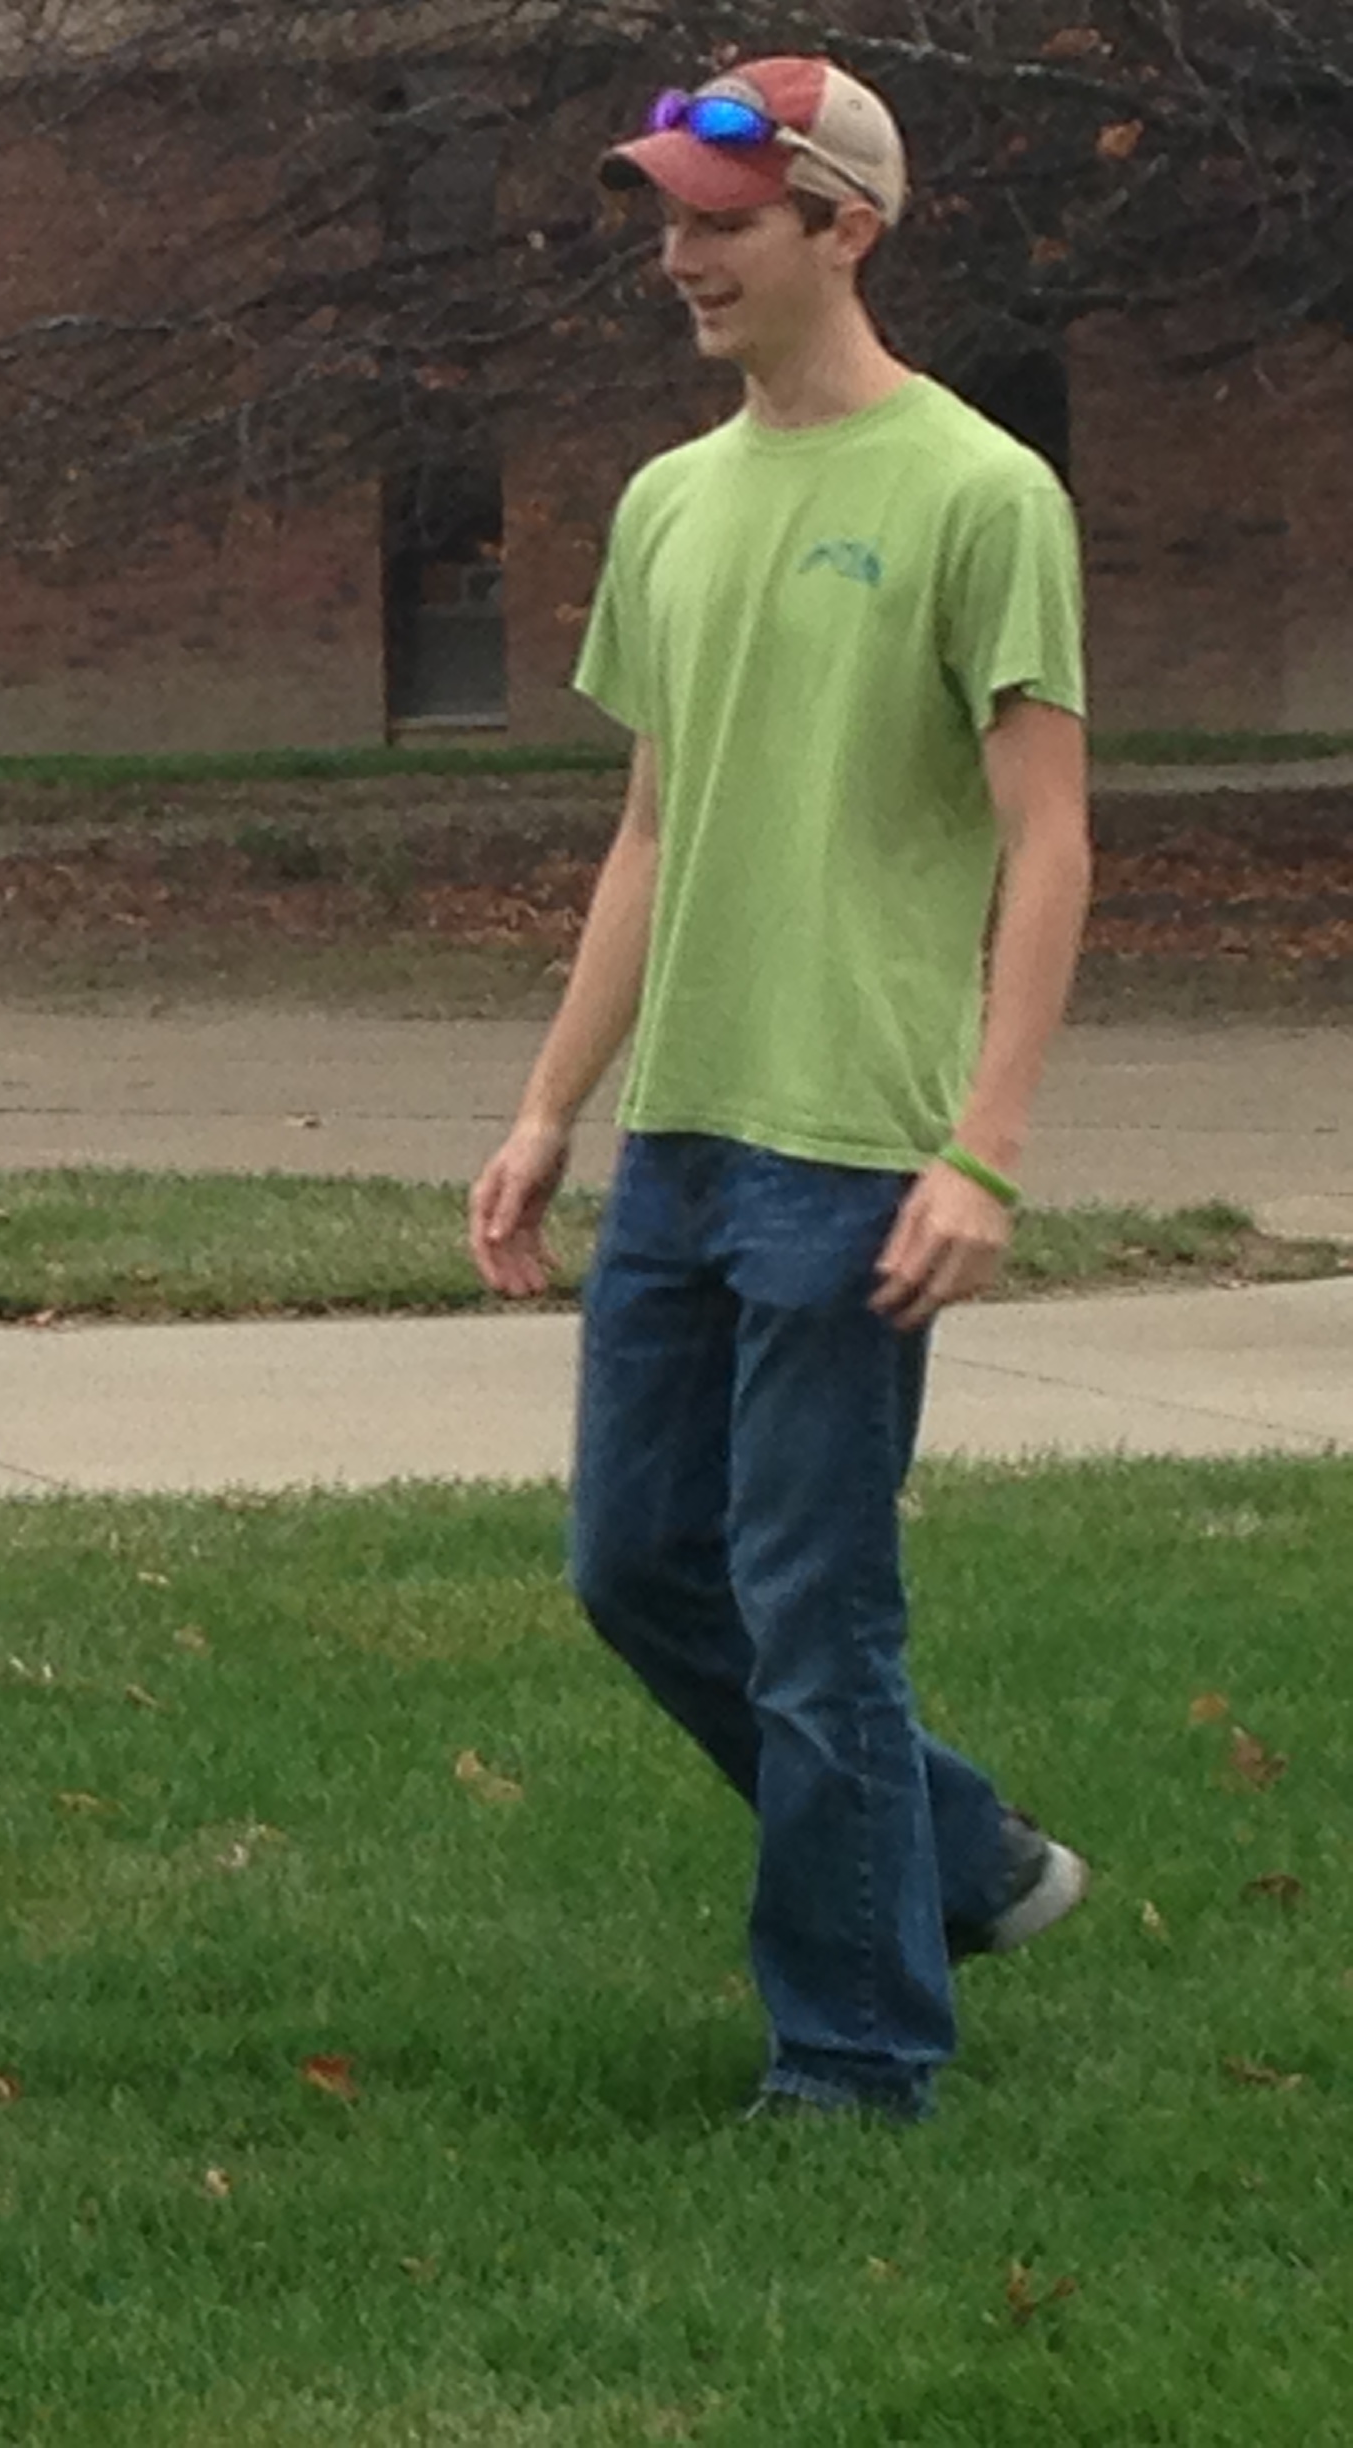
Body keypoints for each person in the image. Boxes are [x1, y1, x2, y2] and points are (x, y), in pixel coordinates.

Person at [465, 59, 1095, 2122]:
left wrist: (983, 1147)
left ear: (847, 229)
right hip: (690, 1135)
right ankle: (964, 1857)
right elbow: (654, 827)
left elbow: (1049, 839)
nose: (682, 256)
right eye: (671, 218)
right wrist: (554, 1102)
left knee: (818, 1616)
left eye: (725, 221)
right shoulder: (668, 503)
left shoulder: (983, 494)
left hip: (858, 1151)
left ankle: (855, 2054)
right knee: (634, 1563)